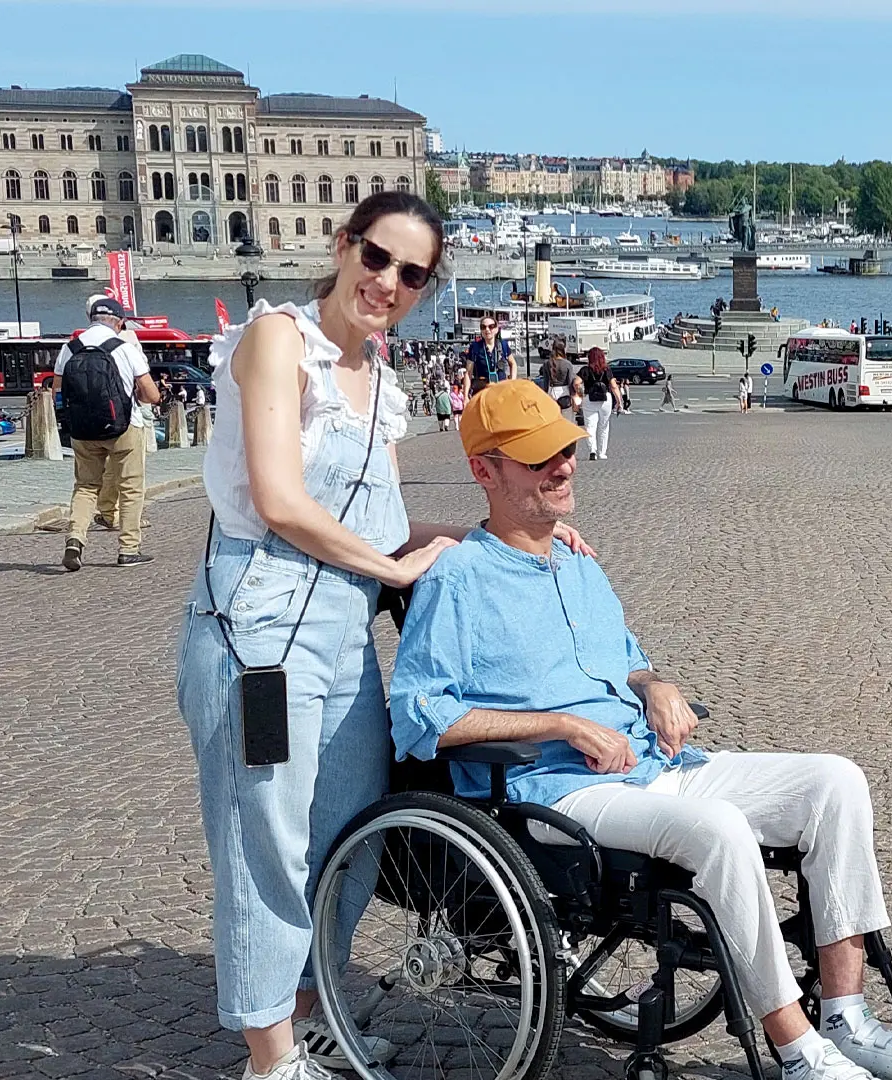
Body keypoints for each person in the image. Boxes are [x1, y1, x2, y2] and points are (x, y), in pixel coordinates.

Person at [387, 379, 892, 1080]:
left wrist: (656, 685)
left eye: (564, 449)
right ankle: (798, 1049)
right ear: (486, 470)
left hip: (655, 765)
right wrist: (562, 725)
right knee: (718, 828)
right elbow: (421, 717)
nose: (563, 465)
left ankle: (845, 1017)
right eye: (538, 458)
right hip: (552, 792)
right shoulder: (460, 579)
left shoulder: (577, 564)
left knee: (834, 782)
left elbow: (625, 659)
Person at [174, 192, 595, 1080]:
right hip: (259, 630)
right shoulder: (277, 342)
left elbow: (387, 525)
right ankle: (268, 1056)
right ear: (343, 246)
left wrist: (524, 532)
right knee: (267, 842)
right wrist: (397, 572)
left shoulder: (379, 379)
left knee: (352, 837)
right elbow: (281, 502)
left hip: (341, 630)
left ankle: (306, 1006)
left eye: (412, 273)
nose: (388, 282)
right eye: (377, 258)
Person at [58, 296, 160, 569]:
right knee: (130, 487)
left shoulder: (70, 348)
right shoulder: (125, 348)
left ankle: (75, 539)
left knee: (85, 486)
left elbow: (58, 388)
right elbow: (151, 394)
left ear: (90, 319)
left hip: (82, 430)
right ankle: (129, 549)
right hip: (123, 426)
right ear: (120, 322)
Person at [574, 346, 619, 460]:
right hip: (605, 399)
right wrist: (619, 401)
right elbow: (613, 386)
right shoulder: (607, 370)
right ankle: (602, 453)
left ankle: (592, 450)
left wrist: (581, 393)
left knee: (590, 426)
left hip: (590, 398)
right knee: (604, 426)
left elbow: (576, 383)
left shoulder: (585, 370)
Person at [467, 317, 512, 393]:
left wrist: (512, 381)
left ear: (496, 329)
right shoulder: (475, 347)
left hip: (501, 390)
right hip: (482, 391)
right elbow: (468, 373)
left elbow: (513, 363)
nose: (487, 329)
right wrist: (465, 396)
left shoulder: (503, 344)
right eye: (483, 327)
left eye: (491, 326)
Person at [542, 342, 577, 416]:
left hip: (551, 392)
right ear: (563, 349)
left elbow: (545, 382)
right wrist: (574, 396)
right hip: (564, 393)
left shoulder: (546, 363)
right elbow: (570, 382)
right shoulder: (567, 364)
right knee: (566, 420)